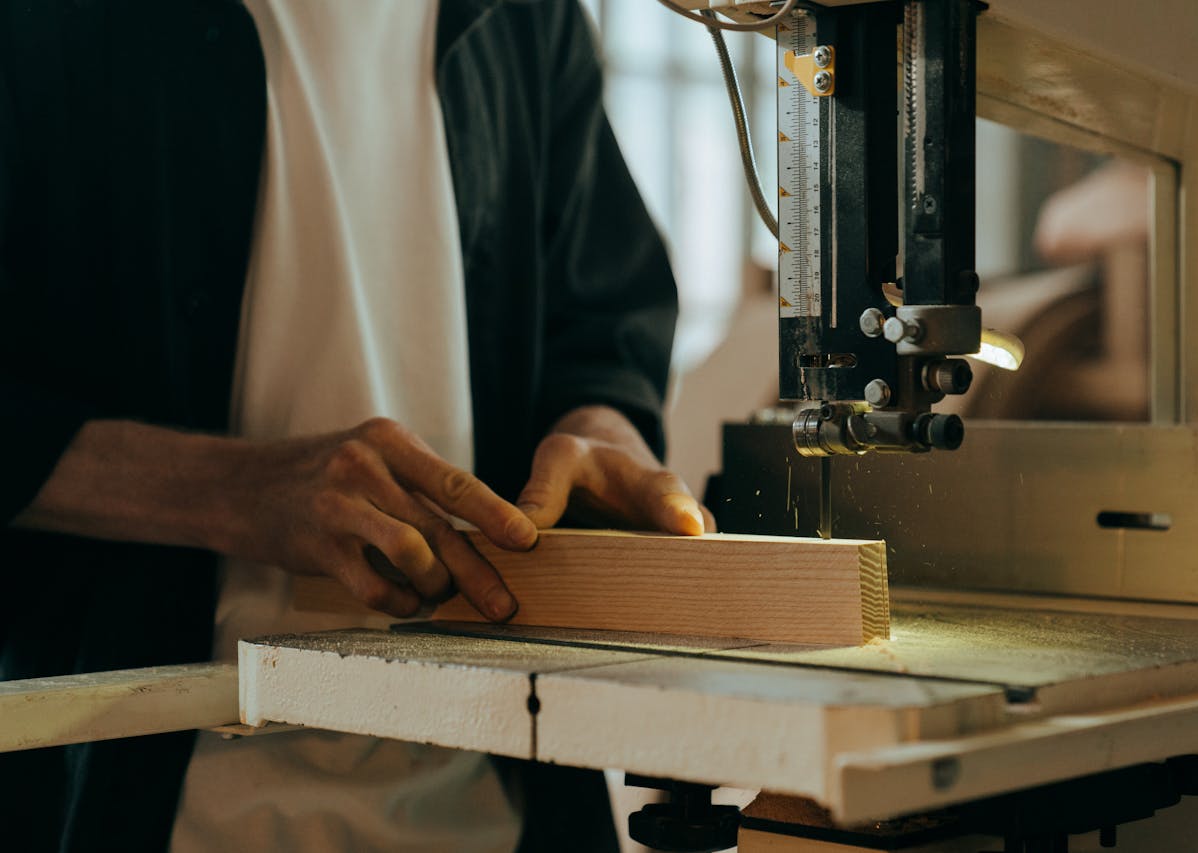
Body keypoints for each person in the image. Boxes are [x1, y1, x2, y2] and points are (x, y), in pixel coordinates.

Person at [0, 0, 708, 849]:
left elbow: (600, 324)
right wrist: (232, 489)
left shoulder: (530, 17)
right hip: (146, 805)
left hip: (502, 808)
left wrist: (603, 435)